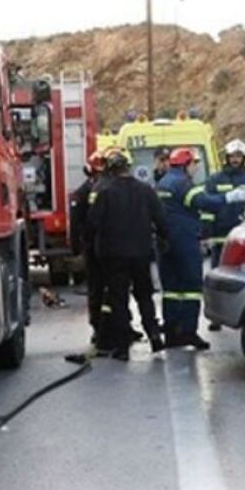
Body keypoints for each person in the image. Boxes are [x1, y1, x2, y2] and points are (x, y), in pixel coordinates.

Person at [156, 148, 245, 349]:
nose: (196, 168)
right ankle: (188, 332)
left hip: (164, 243)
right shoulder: (184, 184)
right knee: (191, 287)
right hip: (185, 241)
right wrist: (230, 197)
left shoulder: (163, 182)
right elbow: (205, 202)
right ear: (185, 165)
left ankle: (171, 333)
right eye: (194, 164)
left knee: (171, 289)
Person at [87, 147, 169, 359]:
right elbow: (160, 219)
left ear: (111, 170)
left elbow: (92, 223)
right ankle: (154, 336)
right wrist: (163, 239)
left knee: (119, 300)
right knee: (144, 296)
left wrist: (92, 250)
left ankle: (122, 348)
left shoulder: (105, 193)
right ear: (128, 168)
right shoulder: (146, 190)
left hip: (114, 256)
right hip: (141, 253)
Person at [204, 139, 245, 331]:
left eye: (238, 156)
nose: (235, 160)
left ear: (244, 158)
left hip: (243, 237)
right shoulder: (215, 180)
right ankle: (216, 316)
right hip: (220, 236)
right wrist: (207, 233)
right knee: (217, 279)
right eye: (232, 156)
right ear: (226, 158)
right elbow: (208, 209)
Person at [70, 150, 109, 343]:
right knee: (96, 289)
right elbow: (76, 222)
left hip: (106, 247)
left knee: (114, 289)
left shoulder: (104, 189)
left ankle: (119, 325)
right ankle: (97, 327)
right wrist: (76, 248)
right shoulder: (83, 193)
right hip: (94, 248)